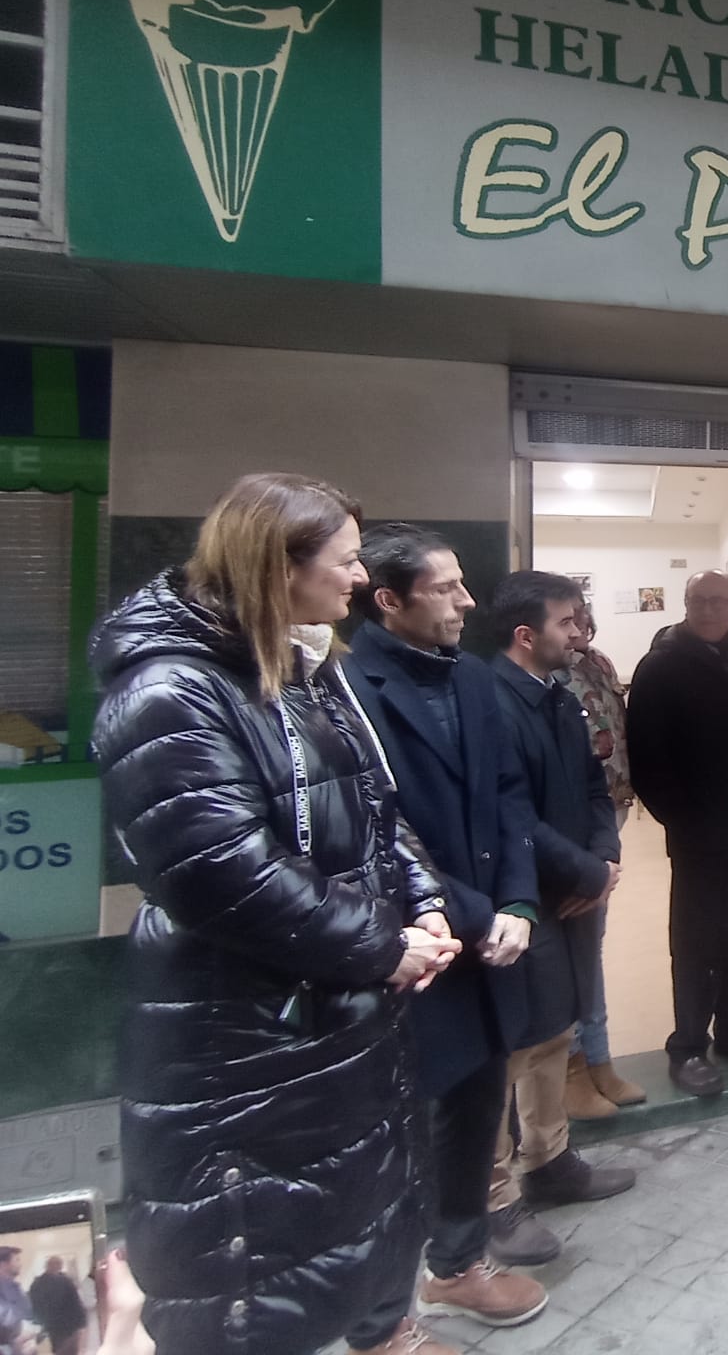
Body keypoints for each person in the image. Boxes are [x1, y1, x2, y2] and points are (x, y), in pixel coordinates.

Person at [89, 473, 462, 1355]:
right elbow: (218, 870)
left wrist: (426, 901)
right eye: (343, 559)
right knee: (252, 1256)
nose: (358, 576)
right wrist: (381, 944)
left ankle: (386, 1335)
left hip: (336, 1005)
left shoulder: (304, 667)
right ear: (276, 566)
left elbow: (376, 808)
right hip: (242, 1036)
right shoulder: (170, 691)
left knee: (359, 1199)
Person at [344, 524, 560, 1309]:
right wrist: (477, 914)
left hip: (494, 931)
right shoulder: (348, 690)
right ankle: (384, 1307)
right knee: (413, 1122)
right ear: (389, 599)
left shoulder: (472, 678)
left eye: (464, 583)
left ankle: (458, 1268)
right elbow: (383, 831)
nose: (468, 600)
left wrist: (519, 901)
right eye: (447, 588)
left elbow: (509, 795)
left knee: (476, 1103)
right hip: (419, 943)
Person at [488, 573, 637, 1219]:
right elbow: (510, 815)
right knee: (512, 1048)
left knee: (556, 1033)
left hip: (576, 884)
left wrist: (603, 861)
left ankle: (550, 1164)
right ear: (527, 635)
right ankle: (492, 1193)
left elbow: (595, 786)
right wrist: (584, 873)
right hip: (524, 897)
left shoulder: (558, 695)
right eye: (566, 623)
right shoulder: (490, 702)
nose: (580, 633)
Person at [627, 570, 728, 1099]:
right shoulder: (661, 665)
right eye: (700, 600)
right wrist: (682, 819)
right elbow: (646, 757)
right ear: (686, 603)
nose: (711, 608)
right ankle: (688, 1046)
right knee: (693, 939)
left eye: (721, 600)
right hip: (695, 830)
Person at [560, 597, 646, 1118]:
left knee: (590, 945)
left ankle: (597, 1061)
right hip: (563, 827)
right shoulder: (537, 680)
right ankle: (569, 1072)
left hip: (604, 817)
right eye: (567, 621)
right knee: (572, 949)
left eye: (583, 619)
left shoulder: (599, 663)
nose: (580, 630)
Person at [29, 1256, 88, 1355]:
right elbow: (75, 1302)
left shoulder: (38, 1284)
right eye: (57, 1265)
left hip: (57, 1326)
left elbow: (35, 1308)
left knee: (63, 1349)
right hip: (65, 1325)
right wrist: (82, 1322)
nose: (59, 1268)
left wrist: (41, 1324)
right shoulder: (63, 1281)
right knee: (67, 1350)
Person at [0, 1249, 30, 1355]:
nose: (20, 1264)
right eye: (16, 1260)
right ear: (3, 1264)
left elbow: (27, 1313)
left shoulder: (16, 1287)